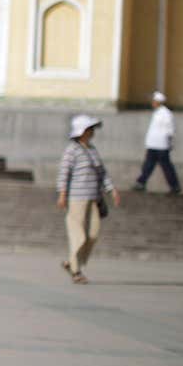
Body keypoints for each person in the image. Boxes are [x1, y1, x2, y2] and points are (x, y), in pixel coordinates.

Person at [57, 115, 122, 285]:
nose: (92, 132)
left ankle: (72, 263)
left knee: (93, 234)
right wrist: (62, 194)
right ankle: (76, 271)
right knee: (78, 236)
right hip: (76, 198)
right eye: (89, 129)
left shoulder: (92, 150)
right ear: (82, 131)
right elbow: (64, 172)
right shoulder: (72, 150)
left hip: (94, 197)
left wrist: (112, 190)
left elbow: (102, 173)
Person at [131, 91, 181, 195]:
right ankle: (141, 182)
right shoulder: (157, 112)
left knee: (166, 166)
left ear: (158, 102)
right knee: (148, 165)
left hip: (161, 145)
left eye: (154, 101)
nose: (152, 103)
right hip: (153, 145)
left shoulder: (166, 113)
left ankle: (175, 186)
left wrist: (169, 142)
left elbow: (170, 129)